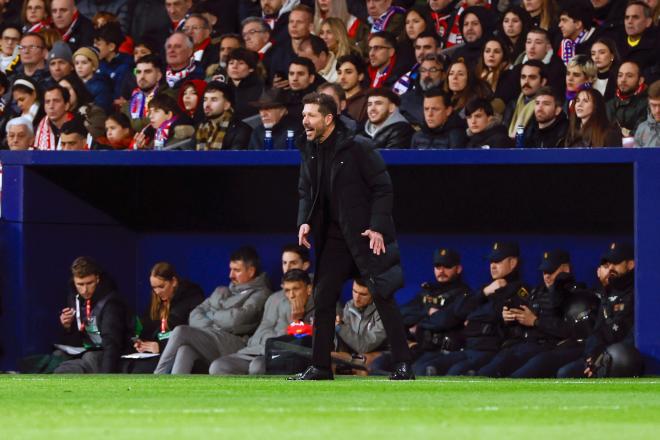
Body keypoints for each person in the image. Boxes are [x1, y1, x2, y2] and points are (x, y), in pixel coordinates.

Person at [290, 92, 413, 380]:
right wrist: (304, 222)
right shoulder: (309, 148)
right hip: (333, 238)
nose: (304, 121)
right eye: (303, 115)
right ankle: (320, 366)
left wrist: (378, 227)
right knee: (322, 299)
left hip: (364, 235)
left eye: (311, 116)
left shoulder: (358, 147)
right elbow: (305, 192)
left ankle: (403, 364)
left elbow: (383, 188)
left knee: (383, 296)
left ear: (328, 119)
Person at [415, 242, 530, 376]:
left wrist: (472, 316)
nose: (492, 266)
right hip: (469, 348)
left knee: (456, 372)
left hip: (493, 349)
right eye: (491, 261)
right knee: (425, 368)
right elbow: (459, 310)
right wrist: (484, 292)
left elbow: (497, 312)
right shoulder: (486, 288)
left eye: (498, 261)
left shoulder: (521, 290)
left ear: (512, 263)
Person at [153, 247, 270, 375]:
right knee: (185, 350)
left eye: (236, 270)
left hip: (236, 345)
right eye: (230, 269)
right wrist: (217, 323)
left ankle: (157, 377)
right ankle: (176, 392)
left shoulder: (261, 293)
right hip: (212, 338)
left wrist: (211, 315)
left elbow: (236, 321)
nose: (230, 275)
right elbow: (194, 315)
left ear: (251, 271)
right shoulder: (221, 290)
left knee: (181, 331)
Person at [209, 250, 313, 376]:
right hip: (256, 351)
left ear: (308, 289)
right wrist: (271, 339)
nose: (291, 295)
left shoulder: (318, 304)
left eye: (296, 289)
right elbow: (258, 336)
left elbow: (304, 344)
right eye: (287, 290)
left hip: (283, 355)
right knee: (219, 366)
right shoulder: (273, 299)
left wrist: (296, 321)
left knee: (258, 366)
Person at [373, 247, 473, 374]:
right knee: (378, 364)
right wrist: (427, 312)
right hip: (420, 348)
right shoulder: (428, 291)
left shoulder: (464, 294)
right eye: (438, 266)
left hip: (444, 351)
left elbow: (443, 321)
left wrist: (420, 322)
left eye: (447, 266)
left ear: (458, 269)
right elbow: (402, 314)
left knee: (416, 371)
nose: (441, 271)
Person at [477, 249, 575, 377]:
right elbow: (522, 323)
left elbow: (572, 331)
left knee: (515, 377)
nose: (547, 276)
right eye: (544, 272)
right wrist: (509, 319)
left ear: (565, 269)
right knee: (485, 372)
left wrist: (536, 321)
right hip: (523, 344)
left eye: (551, 271)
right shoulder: (536, 292)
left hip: (549, 348)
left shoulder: (574, 295)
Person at [558, 242, 640, 378]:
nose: (611, 268)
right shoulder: (607, 292)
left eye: (616, 263)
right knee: (565, 373)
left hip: (623, 358)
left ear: (630, 264)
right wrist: (593, 354)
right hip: (602, 354)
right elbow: (597, 332)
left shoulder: (638, 291)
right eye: (608, 265)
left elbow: (634, 336)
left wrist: (606, 356)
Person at [54, 256, 130, 374]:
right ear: (74, 281)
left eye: (89, 283)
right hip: (87, 350)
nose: (85, 290)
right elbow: (75, 342)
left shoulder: (111, 302)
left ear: (97, 279)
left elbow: (112, 345)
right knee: (58, 355)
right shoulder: (74, 298)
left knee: (90, 358)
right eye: (80, 284)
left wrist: (106, 379)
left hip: (111, 354)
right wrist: (68, 327)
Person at [125, 262, 205, 374]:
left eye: (161, 286)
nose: (157, 292)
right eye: (154, 288)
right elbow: (150, 326)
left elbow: (190, 335)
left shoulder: (192, 298)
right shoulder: (156, 300)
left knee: (142, 369)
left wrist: (161, 347)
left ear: (174, 282)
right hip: (158, 353)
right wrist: (142, 342)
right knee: (129, 366)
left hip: (182, 354)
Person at [333, 279, 387, 373]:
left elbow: (365, 346)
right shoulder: (349, 306)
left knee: (364, 362)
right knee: (328, 356)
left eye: (363, 294)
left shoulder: (384, 312)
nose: (357, 298)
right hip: (355, 355)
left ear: (374, 294)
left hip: (381, 355)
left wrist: (339, 327)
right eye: (354, 291)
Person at [122, 54, 173, 133]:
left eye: (147, 72)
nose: (142, 76)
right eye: (138, 72)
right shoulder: (127, 105)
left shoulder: (168, 97)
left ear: (159, 75)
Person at [196, 80, 252, 150]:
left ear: (226, 105)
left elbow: (235, 159)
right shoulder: (201, 128)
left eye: (214, 99)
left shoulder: (241, 130)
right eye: (205, 99)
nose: (207, 104)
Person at [511, 27, 566, 97]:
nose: (532, 47)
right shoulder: (517, 67)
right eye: (529, 42)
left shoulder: (558, 69)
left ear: (548, 47)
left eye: (538, 42)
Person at [269, 5, 313, 86]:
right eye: (291, 22)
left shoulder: (317, 48)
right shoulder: (278, 51)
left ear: (310, 26)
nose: (294, 26)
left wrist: (295, 83)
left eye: (299, 22)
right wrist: (274, 83)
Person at [400, 53, 445, 128]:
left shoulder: (450, 99)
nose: (427, 75)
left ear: (443, 74)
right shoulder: (405, 99)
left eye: (433, 70)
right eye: (423, 70)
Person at [505, 60, 548, 139]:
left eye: (532, 77)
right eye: (523, 77)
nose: (526, 81)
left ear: (543, 82)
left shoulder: (546, 107)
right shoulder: (512, 104)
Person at [606, 60, 648, 139]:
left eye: (629, 76)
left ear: (640, 80)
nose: (623, 80)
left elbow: (640, 135)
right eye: (620, 75)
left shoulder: (648, 104)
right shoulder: (608, 105)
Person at [94, 22, 132, 101]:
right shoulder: (95, 62)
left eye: (98, 44)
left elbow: (119, 96)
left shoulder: (127, 64)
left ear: (111, 47)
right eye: (94, 44)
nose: (94, 47)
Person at [616, 1, 657, 73]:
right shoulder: (614, 43)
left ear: (648, 22)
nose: (629, 21)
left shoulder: (656, 47)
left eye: (635, 17)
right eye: (627, 17)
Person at [226, 47, 264, 121]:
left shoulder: (261, 90)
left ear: (251, 68)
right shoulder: (222, 89)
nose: (234, 66)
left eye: (241, 63)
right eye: (231, 63)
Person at [72, 45, 112, 113]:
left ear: (93, 66)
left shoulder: (101, 87)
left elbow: (101, 111)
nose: (79, 66)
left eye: (84, 63)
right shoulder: (73, 84)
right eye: (76, 63)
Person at [33, 83, 73, 150]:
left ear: (66, 105)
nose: (51, 106)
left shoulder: (80, 127)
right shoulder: (37, 129)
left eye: (56, 101)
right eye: (47, 102)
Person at [476, 37, 516, 103]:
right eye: (487, 51)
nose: (491, 55)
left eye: (496, 52)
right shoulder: (477, 74)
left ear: (504, 55)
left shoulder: (510, 76)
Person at [557, 2, 597, 66]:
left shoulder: (597, 43)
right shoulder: (561, 41)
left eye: (564, 20)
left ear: (578, 24)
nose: (559, 25)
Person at [336, 52, 368, 123]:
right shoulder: (334, 99)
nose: (342, 77)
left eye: (348, 72)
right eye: (339, 73)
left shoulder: (367, 101)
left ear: (360, 76)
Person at [634, 79, 660, 147]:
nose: (657, 110)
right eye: (653, 105)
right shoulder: (641, 129)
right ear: (648, 103)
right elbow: (636, 157)